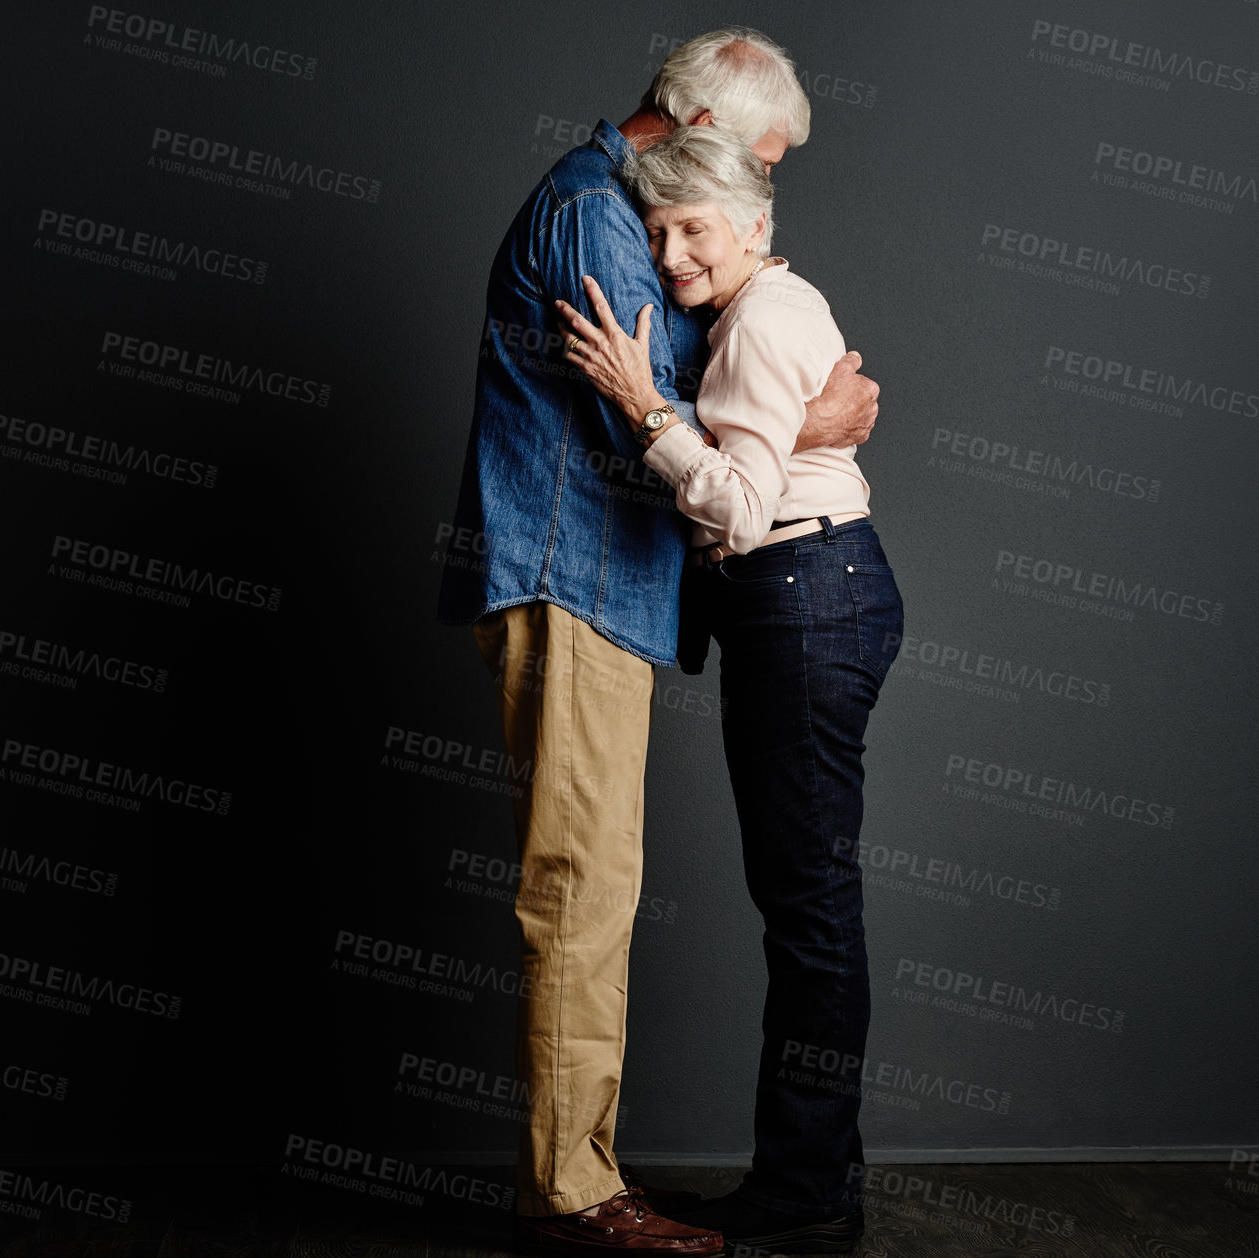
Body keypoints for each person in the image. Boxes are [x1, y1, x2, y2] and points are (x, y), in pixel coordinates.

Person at [436, 28, 880, 1258]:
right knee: (581, 889)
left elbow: (711, 409)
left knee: (596, 886)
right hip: (569, 583)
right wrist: (812, 415)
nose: (749, 203)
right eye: (759, 161)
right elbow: (667, 406)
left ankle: (574, 1177)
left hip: (601, 588)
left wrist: (773, 414)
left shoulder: (620, 210)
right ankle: (575, 1198)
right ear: (701, 133)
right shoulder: (594, 215)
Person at [555, 123, 904, 1255]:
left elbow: (740, 507)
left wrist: (643, 408)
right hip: (809, 594)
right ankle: (813, 1178)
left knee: (808, 911)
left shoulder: (760, 318)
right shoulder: (757, 310)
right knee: (806, 905)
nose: (669, 256)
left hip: (806, 592)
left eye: (693, 228)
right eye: (655, 233)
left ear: (756, 225)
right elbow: (762, 461)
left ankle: (806, 1194)